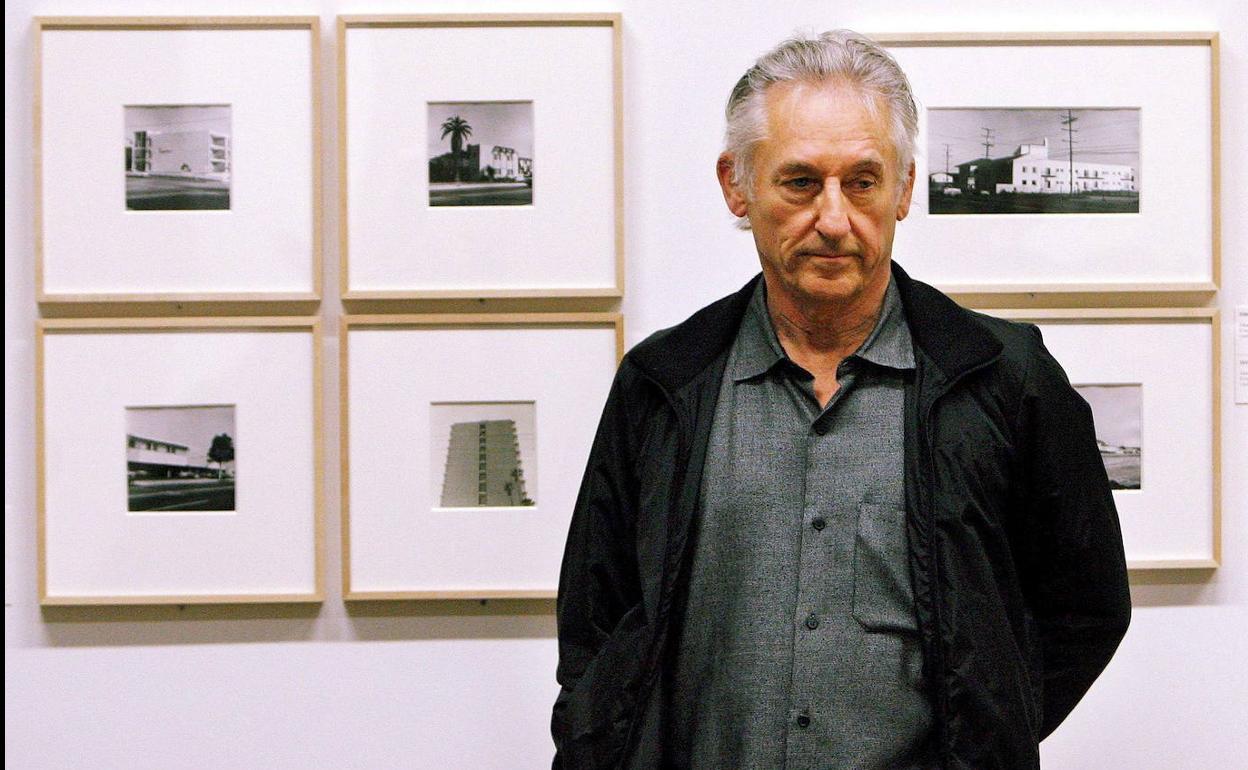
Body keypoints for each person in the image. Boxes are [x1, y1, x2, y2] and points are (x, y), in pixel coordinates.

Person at [552, 30, 1131, 769]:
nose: (833, 219)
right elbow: (597, 624)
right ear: (736, 185)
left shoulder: (1003, 379)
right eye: (800, 182)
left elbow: (1087, 607)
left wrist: (986, 734)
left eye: (862, 182)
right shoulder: (664, 382)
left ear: (904, 189)